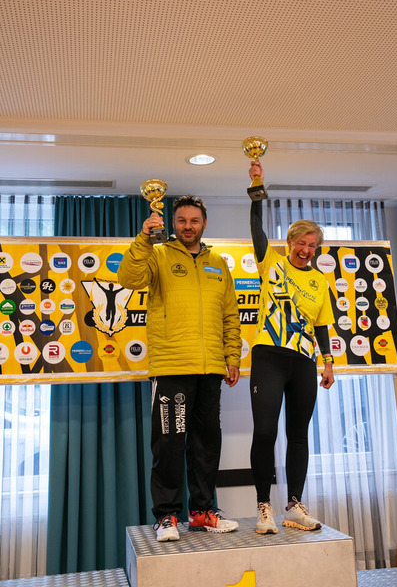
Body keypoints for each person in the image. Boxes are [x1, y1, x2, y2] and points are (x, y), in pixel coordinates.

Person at [117, 195, 242, 542]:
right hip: (171, 366)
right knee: (169, 445)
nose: (188, 226)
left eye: (194, 221)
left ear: (204, 224)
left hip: (210, 368)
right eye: (182, 220)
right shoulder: (157, 255)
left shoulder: (218, 263)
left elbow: (230, 314)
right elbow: (128, 277)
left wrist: (232, 356)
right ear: (173, 223)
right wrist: (144, 238)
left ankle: (202, 511)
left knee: (206, 445)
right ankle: (167, 516)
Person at [248, 160, 335, 535]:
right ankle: (263, 507)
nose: (306, 249)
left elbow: (322, 325)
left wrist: (328, 363)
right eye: (301, 243)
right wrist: (257, 186)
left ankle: (294, 506)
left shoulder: (319, 281)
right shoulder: (270, 263)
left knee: (299, 435)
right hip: (269, 355)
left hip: (303, 361)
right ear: (289, 243)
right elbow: (256, 227)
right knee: (265, 431)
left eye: (312, 245)